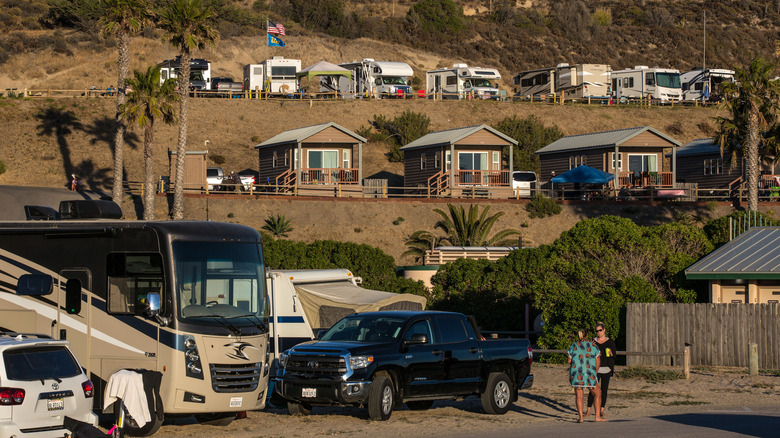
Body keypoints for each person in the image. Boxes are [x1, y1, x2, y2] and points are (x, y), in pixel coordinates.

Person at [567, 327, 606, 423]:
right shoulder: (593, 346)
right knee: (598, 393)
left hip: (576, 374)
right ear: (587, 335)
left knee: (579, 395)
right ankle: (597, 416)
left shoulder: (573, 346)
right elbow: (598, 361)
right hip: (589, 374)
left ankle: (581, 417)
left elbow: (569, 360)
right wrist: (595, 372)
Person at [586, 322, 617, 418]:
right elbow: (588, 354)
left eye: (600, 330)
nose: (599, 332)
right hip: (596, 369)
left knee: (604, 389)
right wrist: (589, 347)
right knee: (593, 390)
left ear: (604, 330)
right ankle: (588, 410)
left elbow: (614, 356)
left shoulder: (610, 341)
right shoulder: (593, 341)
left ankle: (601, 410)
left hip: (607, 368)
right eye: (597, 331)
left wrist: (611, 353)